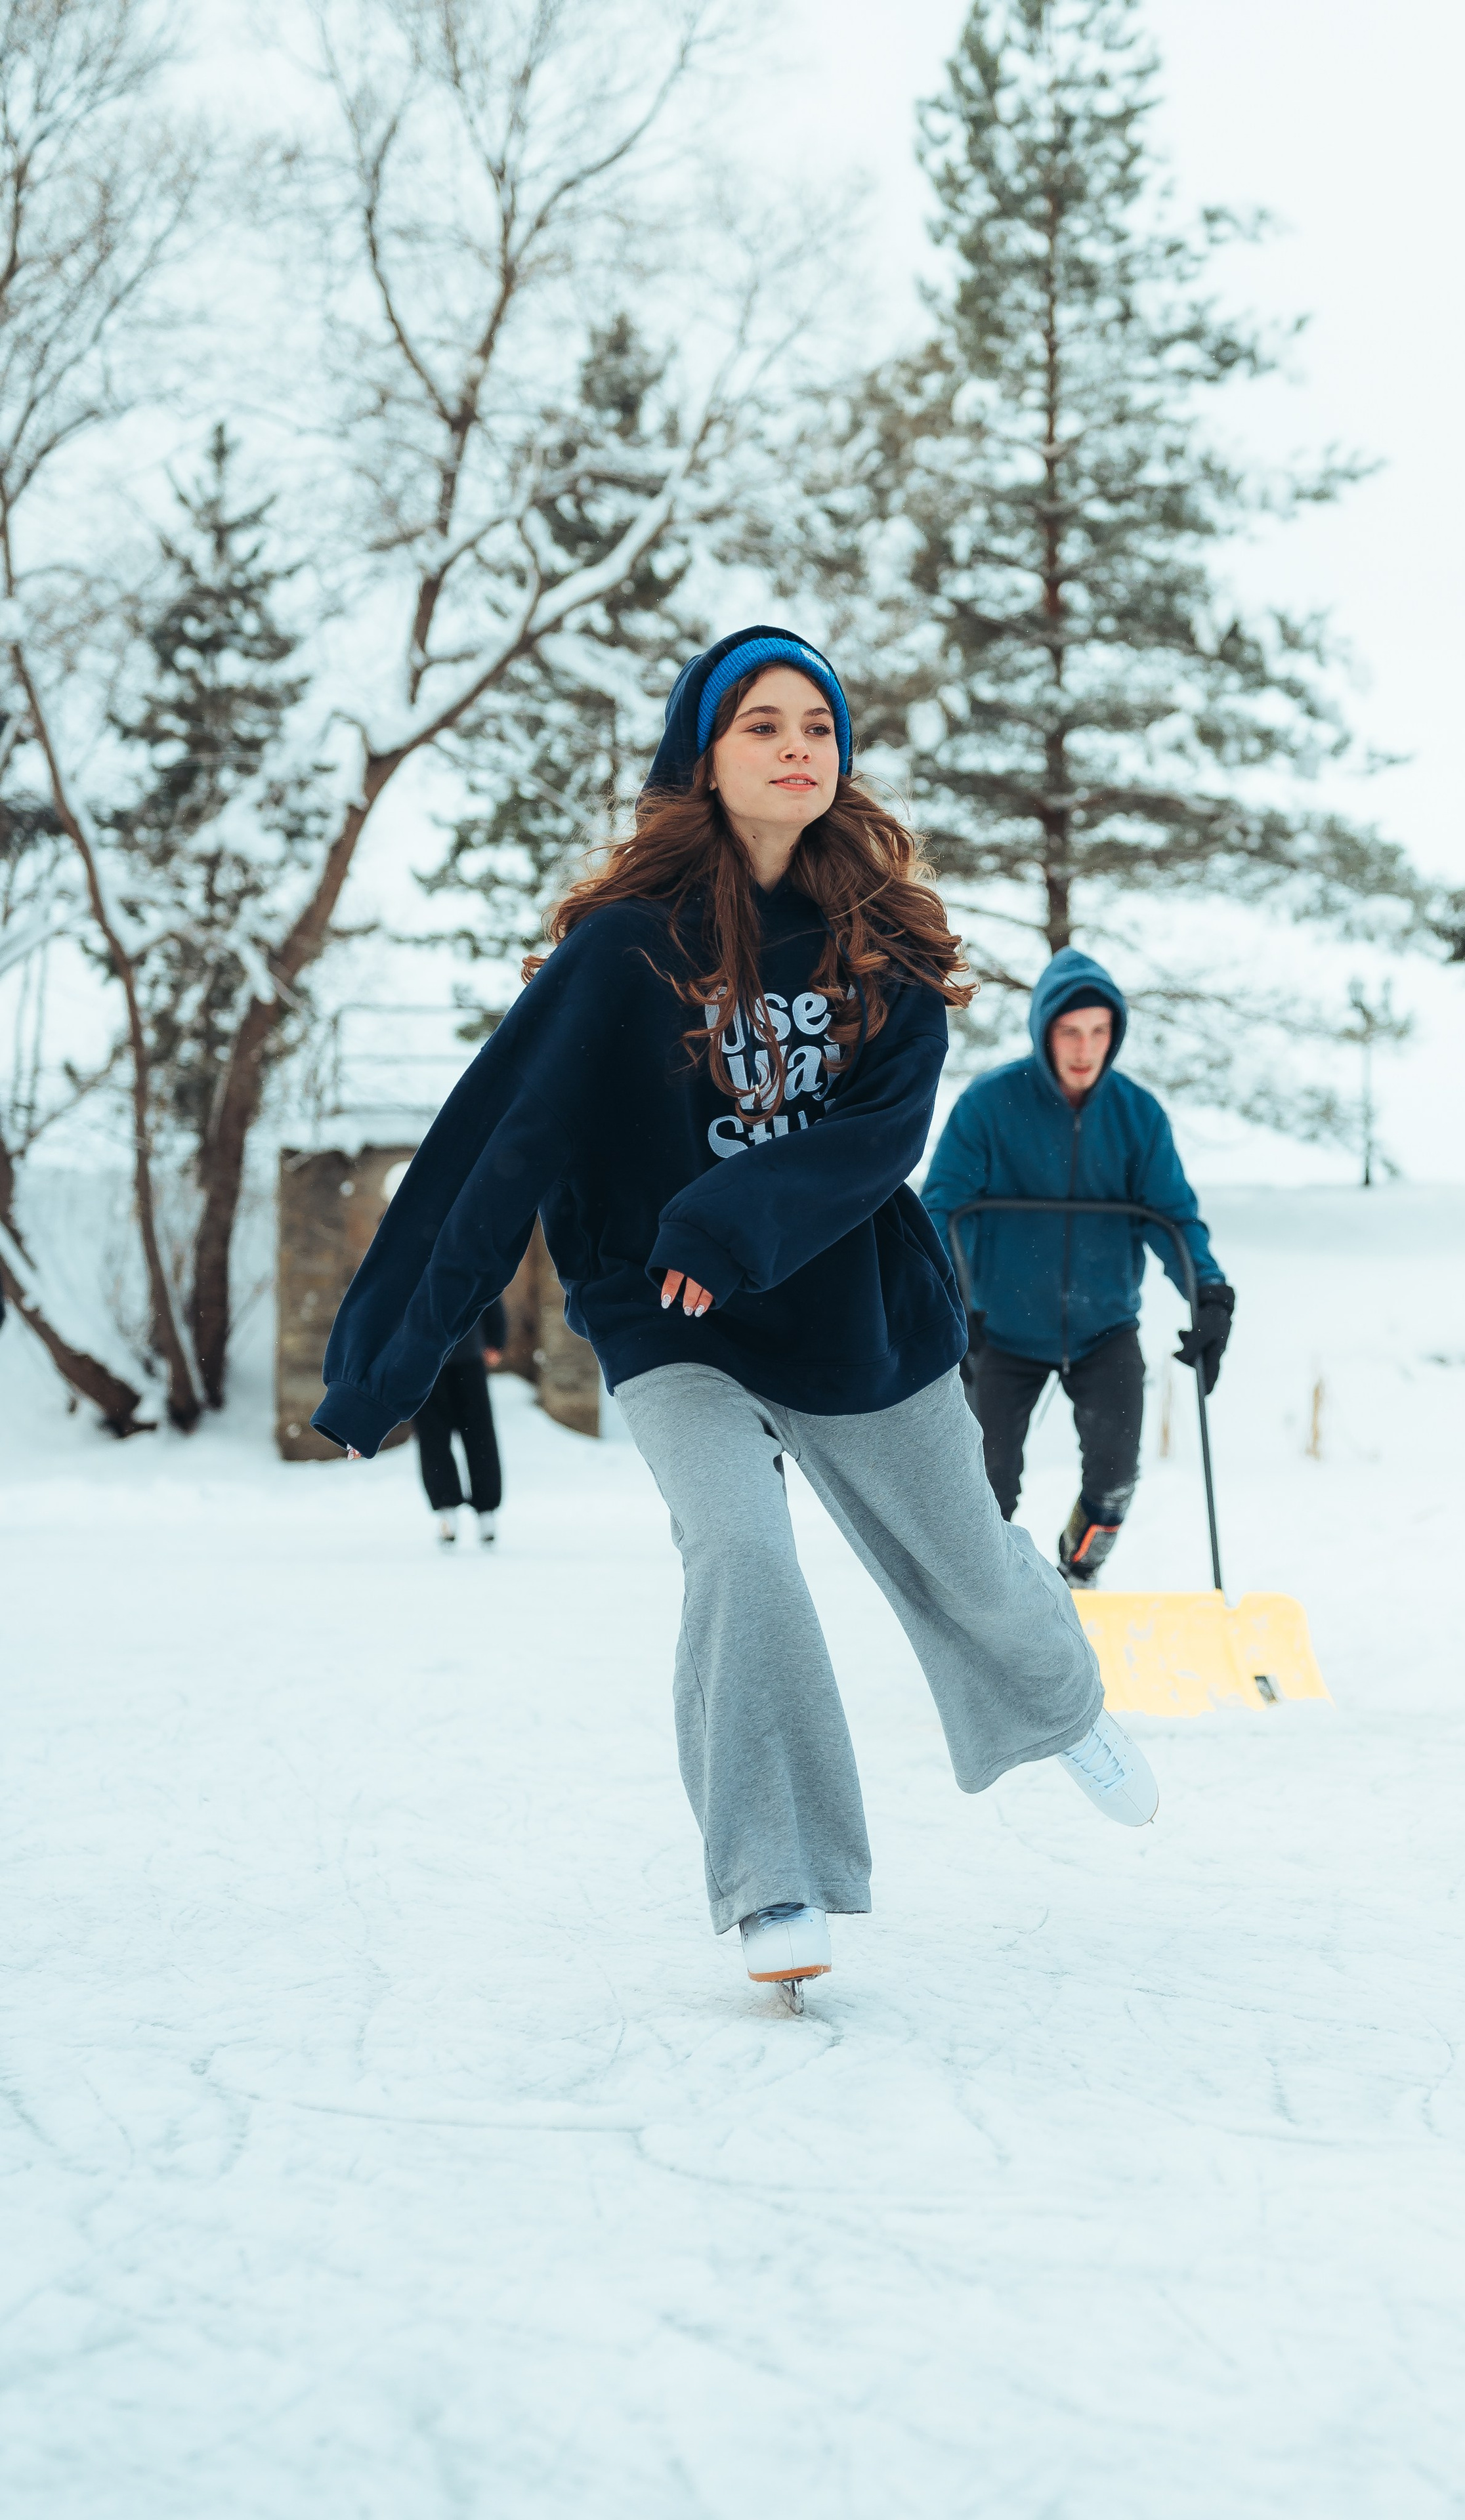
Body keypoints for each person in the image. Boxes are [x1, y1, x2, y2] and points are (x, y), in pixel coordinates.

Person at [311, 625, 1158, 2006]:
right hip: (669, 1321)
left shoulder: (886, 941)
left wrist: (730, 1217)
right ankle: (780, 1873)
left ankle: (1059, 1706)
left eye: (815, 727)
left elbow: (879, 1137)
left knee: (964, 1555)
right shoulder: (621, 956)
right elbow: (493, 1144)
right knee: (739, 1555)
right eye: (761, 726)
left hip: (847, 1304)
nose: (794, 750)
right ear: (704, 758)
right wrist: (386, 1362)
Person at [922, 949, 1233, 1588]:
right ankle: (995, 1599)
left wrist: (1209, 1293)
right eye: (1070, 1031)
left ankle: (1076, 1571)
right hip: (1000, 1330)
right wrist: (951, 1306)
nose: (1085, 1048)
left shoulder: (1136, 1115)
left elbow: (1171, 1218)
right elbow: (938, 1211)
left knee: (1115, 1479)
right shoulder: (988, 1106)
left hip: (1104, 1329)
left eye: (1098, 1031)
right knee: (988, 1483)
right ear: (1044, 1032)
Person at [412, 1294, 507, 1545]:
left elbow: (488, 1287)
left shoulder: (466, 1253)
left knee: (480, 1435)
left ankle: (487, 1513)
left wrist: (495, 1338)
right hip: (424, 1358)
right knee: (433, 1438)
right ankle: (447, 1512)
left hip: (468, 1354)